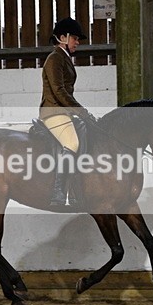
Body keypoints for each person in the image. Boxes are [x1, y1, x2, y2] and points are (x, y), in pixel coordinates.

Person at [39, 17, 91, 207]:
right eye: (75, 38)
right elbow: (58, 90)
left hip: (64, 112)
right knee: (72, 142)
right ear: (62, 37)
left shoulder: (64, 58)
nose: (77, 42)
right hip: (53, 112)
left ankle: (76, 190)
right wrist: (81, 111)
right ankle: (58, 191)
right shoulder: (54, 59)